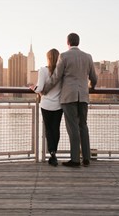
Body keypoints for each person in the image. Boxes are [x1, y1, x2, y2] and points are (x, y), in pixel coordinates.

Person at [43, 33, 97, 167]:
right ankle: (86, 158)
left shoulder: (64, 56)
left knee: (73, 127)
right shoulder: (88, 57)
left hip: (69, 97)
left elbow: (56, 77)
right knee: (83, 126)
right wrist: (91, 87)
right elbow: (94, 78)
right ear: (78, 42)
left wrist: (45, 89)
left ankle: (75, 160)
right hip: (83, 96)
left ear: (68, 42)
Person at [30, 48, 63, 167]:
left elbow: (39, 89)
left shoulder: (43, 70)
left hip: (46, 105)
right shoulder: (61, 71)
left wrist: (33, 87)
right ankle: (54, 153)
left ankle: (52, 154)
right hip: (59, 105)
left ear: (48, 58)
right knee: (56, 129)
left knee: (48, 130)